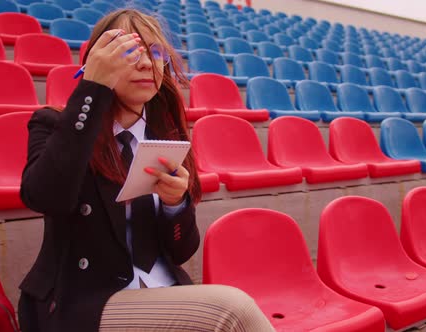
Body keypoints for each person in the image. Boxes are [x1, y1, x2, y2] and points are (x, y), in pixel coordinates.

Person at [17, 8, 274, 332]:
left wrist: (174, 206)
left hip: (160, 289)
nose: (146, 63)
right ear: (100, 60)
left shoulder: (165, 137)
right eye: (129, 51)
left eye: (155, 53)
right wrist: (92, 89)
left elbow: (181, 250)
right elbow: (45, 196)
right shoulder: (58, 125)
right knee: (233, 311)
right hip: (83, 302)